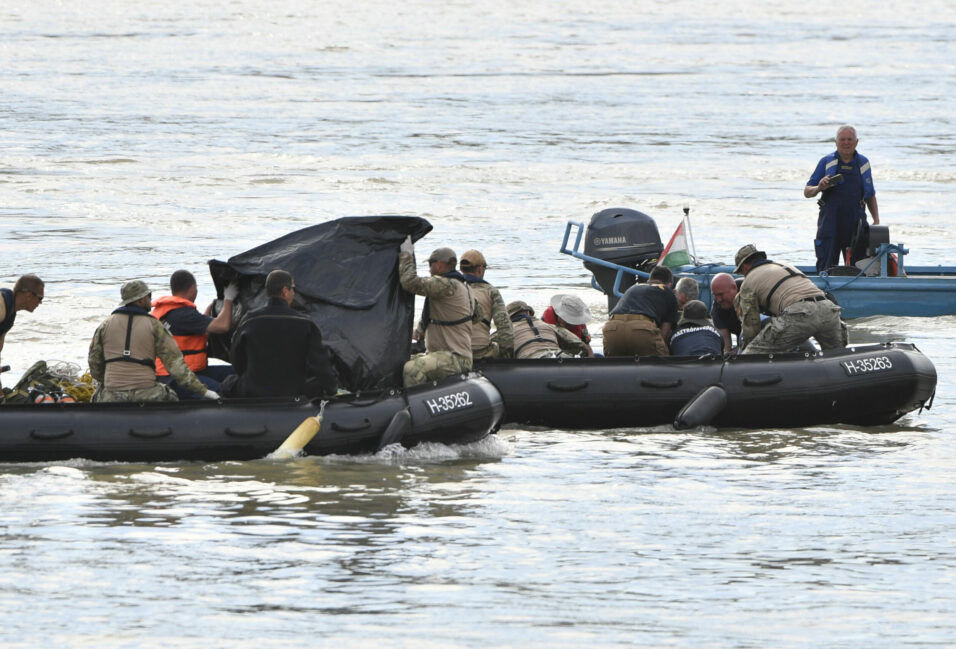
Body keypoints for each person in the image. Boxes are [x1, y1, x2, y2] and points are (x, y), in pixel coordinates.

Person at [88, 280, 218, 402]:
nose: (150, 300)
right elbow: (177, 367)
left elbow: (94, 364)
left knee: (96, 396)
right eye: (148, 296)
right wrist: (204, 391)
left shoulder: (105, 325)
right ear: (140, 300)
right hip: (147, 393)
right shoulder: (155, 326)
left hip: (111, 395)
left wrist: (111, 383)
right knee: (172, 396)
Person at [220, 270, 337, 398]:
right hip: (294, 391)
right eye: (293, 288)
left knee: (227, 382)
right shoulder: (306, 324)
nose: (294, 292)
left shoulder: (249, 320)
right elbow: (321, 365)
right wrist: (332, 391)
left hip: (253, 390)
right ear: (285, 291)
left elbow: (236, 359)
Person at [733, 244, 844, 355]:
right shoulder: (785, 265)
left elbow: (750, 323)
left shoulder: (748, 282)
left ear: (745, 267)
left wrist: (746, 347)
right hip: (828, 309)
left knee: (751, 355)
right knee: (837, 355)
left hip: (799, 313)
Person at [399, 240, 481, 388]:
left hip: (454, 358)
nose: (430, 269)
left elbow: (409, 282)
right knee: (403, 361)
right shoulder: (465, 287)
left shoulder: (445, 284)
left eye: (430, 264)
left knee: (411, 369)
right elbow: (477, 316)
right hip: (457, 355)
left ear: (439, 265)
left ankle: (414, 407)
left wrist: (406, 254)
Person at [151, 270, 239, 398]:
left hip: (173, 371)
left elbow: (191, 332)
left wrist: (207, 315)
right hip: (176, 377)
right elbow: (223, 326)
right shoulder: (184, 313)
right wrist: (228, 298)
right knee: (224, 390)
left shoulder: (164, 310)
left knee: (235, 373)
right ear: (192, 289)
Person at [805, 125, 880, 271]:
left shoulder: (863, 163)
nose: (846, 143)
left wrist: (876, 220)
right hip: (830, 221)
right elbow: (807, 191)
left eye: (850, 139)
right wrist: (819, 187)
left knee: (858, 266)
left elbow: (870, 195)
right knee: (826, 263)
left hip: (856, 223)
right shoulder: (826, 162)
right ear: (836, 142)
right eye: (842, 139)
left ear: (856, 142)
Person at [602, 265, 679, 357]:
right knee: (664, 363)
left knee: (615, 366)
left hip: (612, 328)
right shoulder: (667, 292)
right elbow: (664, 333)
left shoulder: (634, 287)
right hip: (641, 329)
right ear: (669, 284)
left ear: (649, 280)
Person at [459, 249, 514, 359]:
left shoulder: (450, 289)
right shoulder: (491, 291)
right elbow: (505, 329)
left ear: (461, 269)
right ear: (480, 269)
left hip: (454, 351)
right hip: (480, 353)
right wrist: (507, 358)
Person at [0, 274, 44, 392]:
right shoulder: (1, 306)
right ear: (29, 295)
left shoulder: (10, 314)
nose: (40, 303)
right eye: (40, 298)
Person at [507, 301, 589, 359]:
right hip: (558, 355)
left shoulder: (506, 332)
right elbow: (580, 346)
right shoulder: (549, 326)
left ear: (507, 319)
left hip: (530, 362)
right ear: (528, 313)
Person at [709, 272, 742, 353]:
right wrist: (727, 354)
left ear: (734, 288)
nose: (718, 299)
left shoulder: (750, 293)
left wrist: (739, 349)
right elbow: (725, 341)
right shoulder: (717, 306)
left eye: (721, 294)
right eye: (715, 295)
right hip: (737, 335)